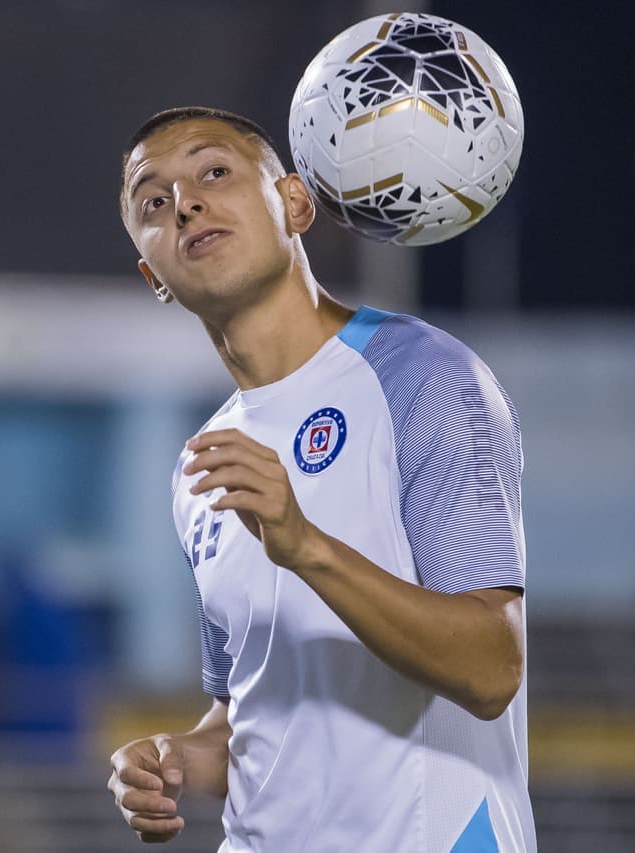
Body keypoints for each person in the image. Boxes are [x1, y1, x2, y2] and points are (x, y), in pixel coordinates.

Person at [105, 106, 536, 852]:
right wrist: (176, 757)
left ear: (295, 204)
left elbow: (491, 668)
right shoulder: (198, 468)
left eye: (214, 172)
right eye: (153, 202)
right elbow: (250, 712)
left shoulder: (425, 375)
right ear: (155, 277)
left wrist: (305, 545)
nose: (185, 204)